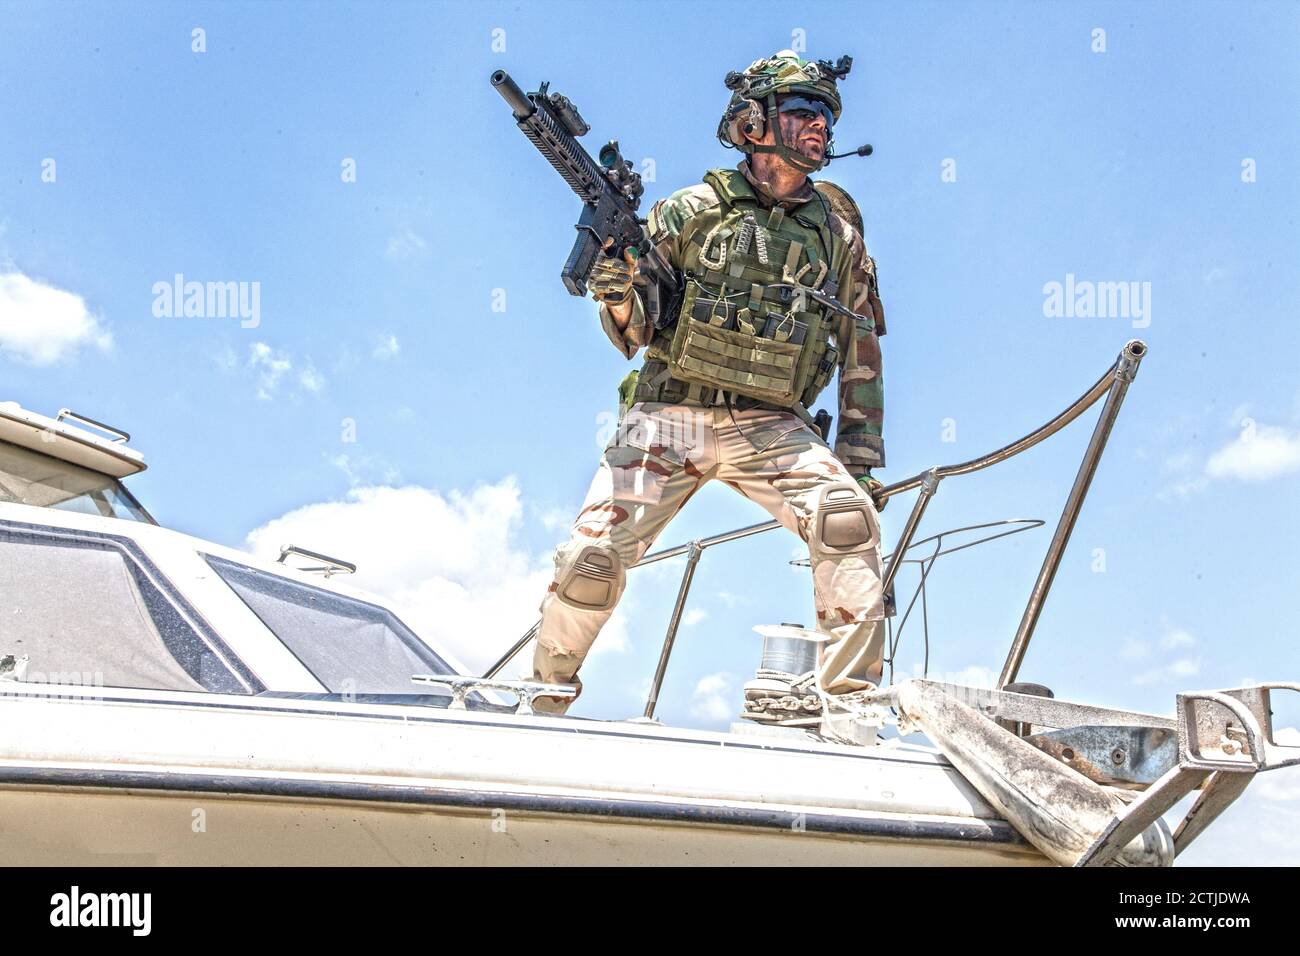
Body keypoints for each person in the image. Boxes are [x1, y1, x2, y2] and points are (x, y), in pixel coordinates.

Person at [531, 51, 889, 717]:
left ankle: (852, 710)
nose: (821, 128)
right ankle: (543, 698)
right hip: (668, 416)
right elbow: (635, 332)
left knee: (846, 519)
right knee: (592, 557)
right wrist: (614, 292)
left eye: (825, 118)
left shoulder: (839, 237)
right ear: (754, 124)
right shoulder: (689, 211)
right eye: (805, 113)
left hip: (773, 424)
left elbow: (860, 352)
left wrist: (862, 463)